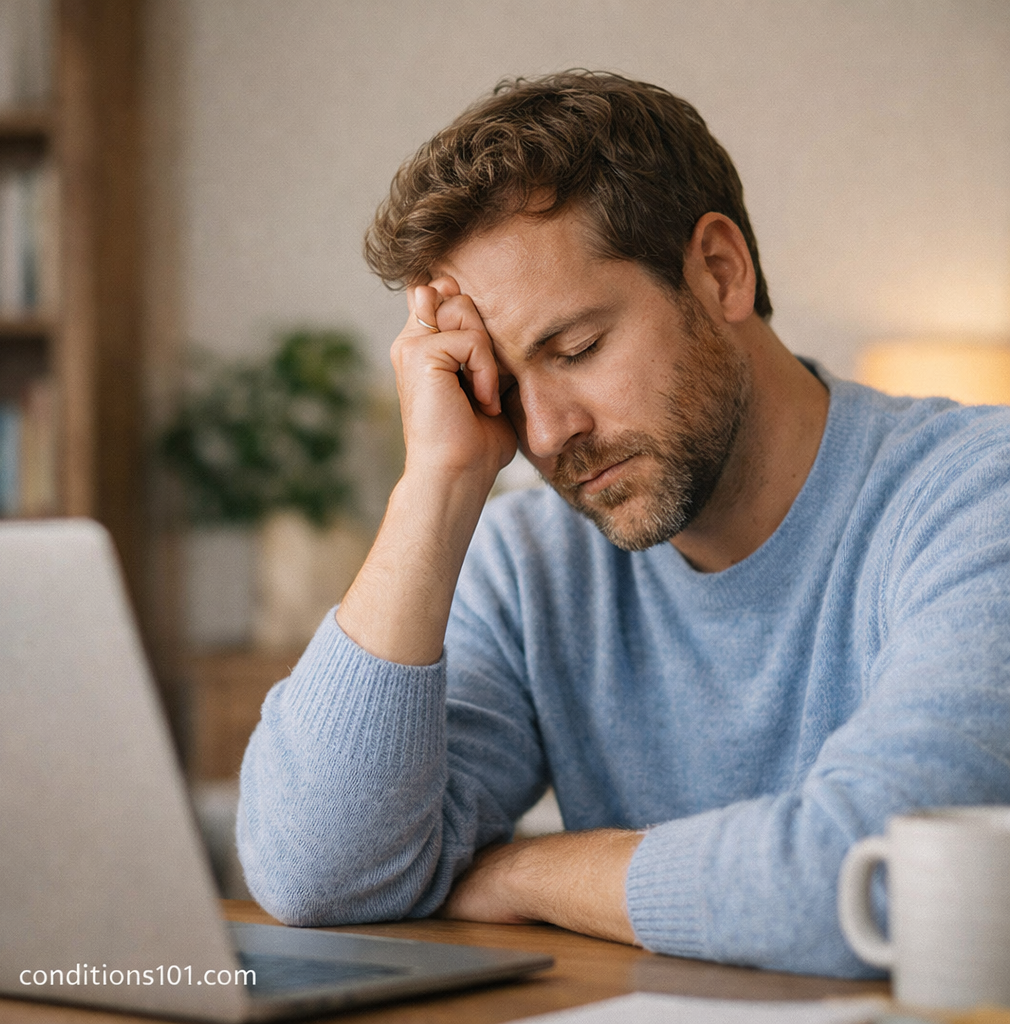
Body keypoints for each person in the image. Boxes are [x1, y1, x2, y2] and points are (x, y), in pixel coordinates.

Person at [236, 71, 1010, 977]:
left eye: (577, 350)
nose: (548, 434)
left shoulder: (974, 496)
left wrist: (527, 874)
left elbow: (878, 886)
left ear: (720, 271)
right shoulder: (534, 563)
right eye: (508, 388)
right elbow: (315, 873)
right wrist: (436, 486)